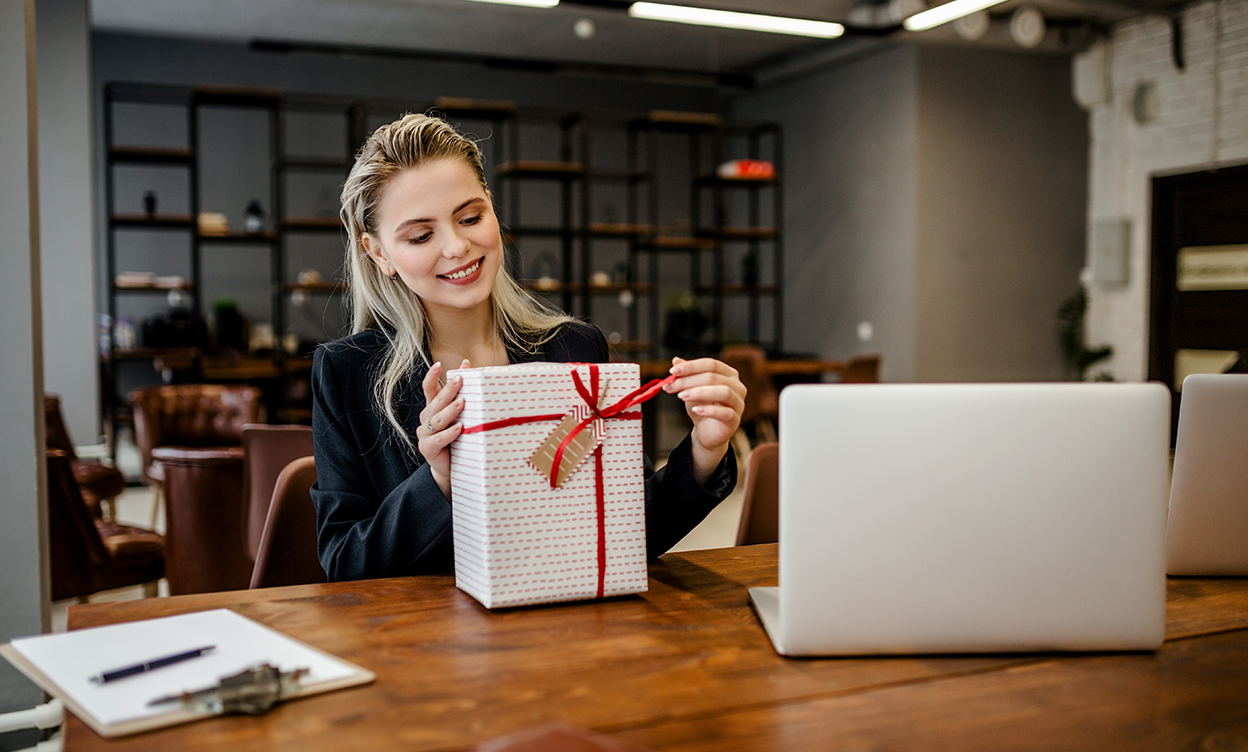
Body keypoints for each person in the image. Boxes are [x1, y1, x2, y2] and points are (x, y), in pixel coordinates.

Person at [311, 113, 746, 582]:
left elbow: (628, 532)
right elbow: (345, 566)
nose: (457, 246)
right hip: (427, 645)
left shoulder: (574, 350)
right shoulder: (347, 374)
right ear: (378, 252)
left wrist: (705, 450)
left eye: (471, 217)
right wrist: (438, 481)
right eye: (421, 235)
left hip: (568, 630)